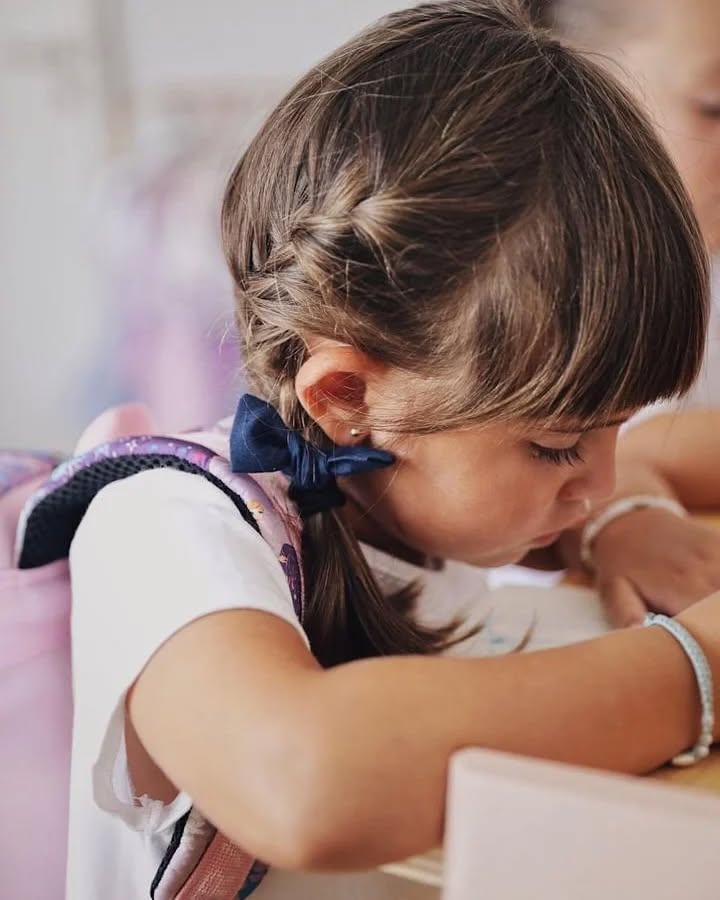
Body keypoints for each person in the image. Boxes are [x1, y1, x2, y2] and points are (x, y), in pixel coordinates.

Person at [64, 3, 717, 898]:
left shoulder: (414, 489)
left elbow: (632, 469)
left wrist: (621, 522)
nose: (596, 482)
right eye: (558, 447)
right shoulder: (161, 523)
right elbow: (307, 782)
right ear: (347, 399)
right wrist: (695, 667)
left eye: (615, 430)